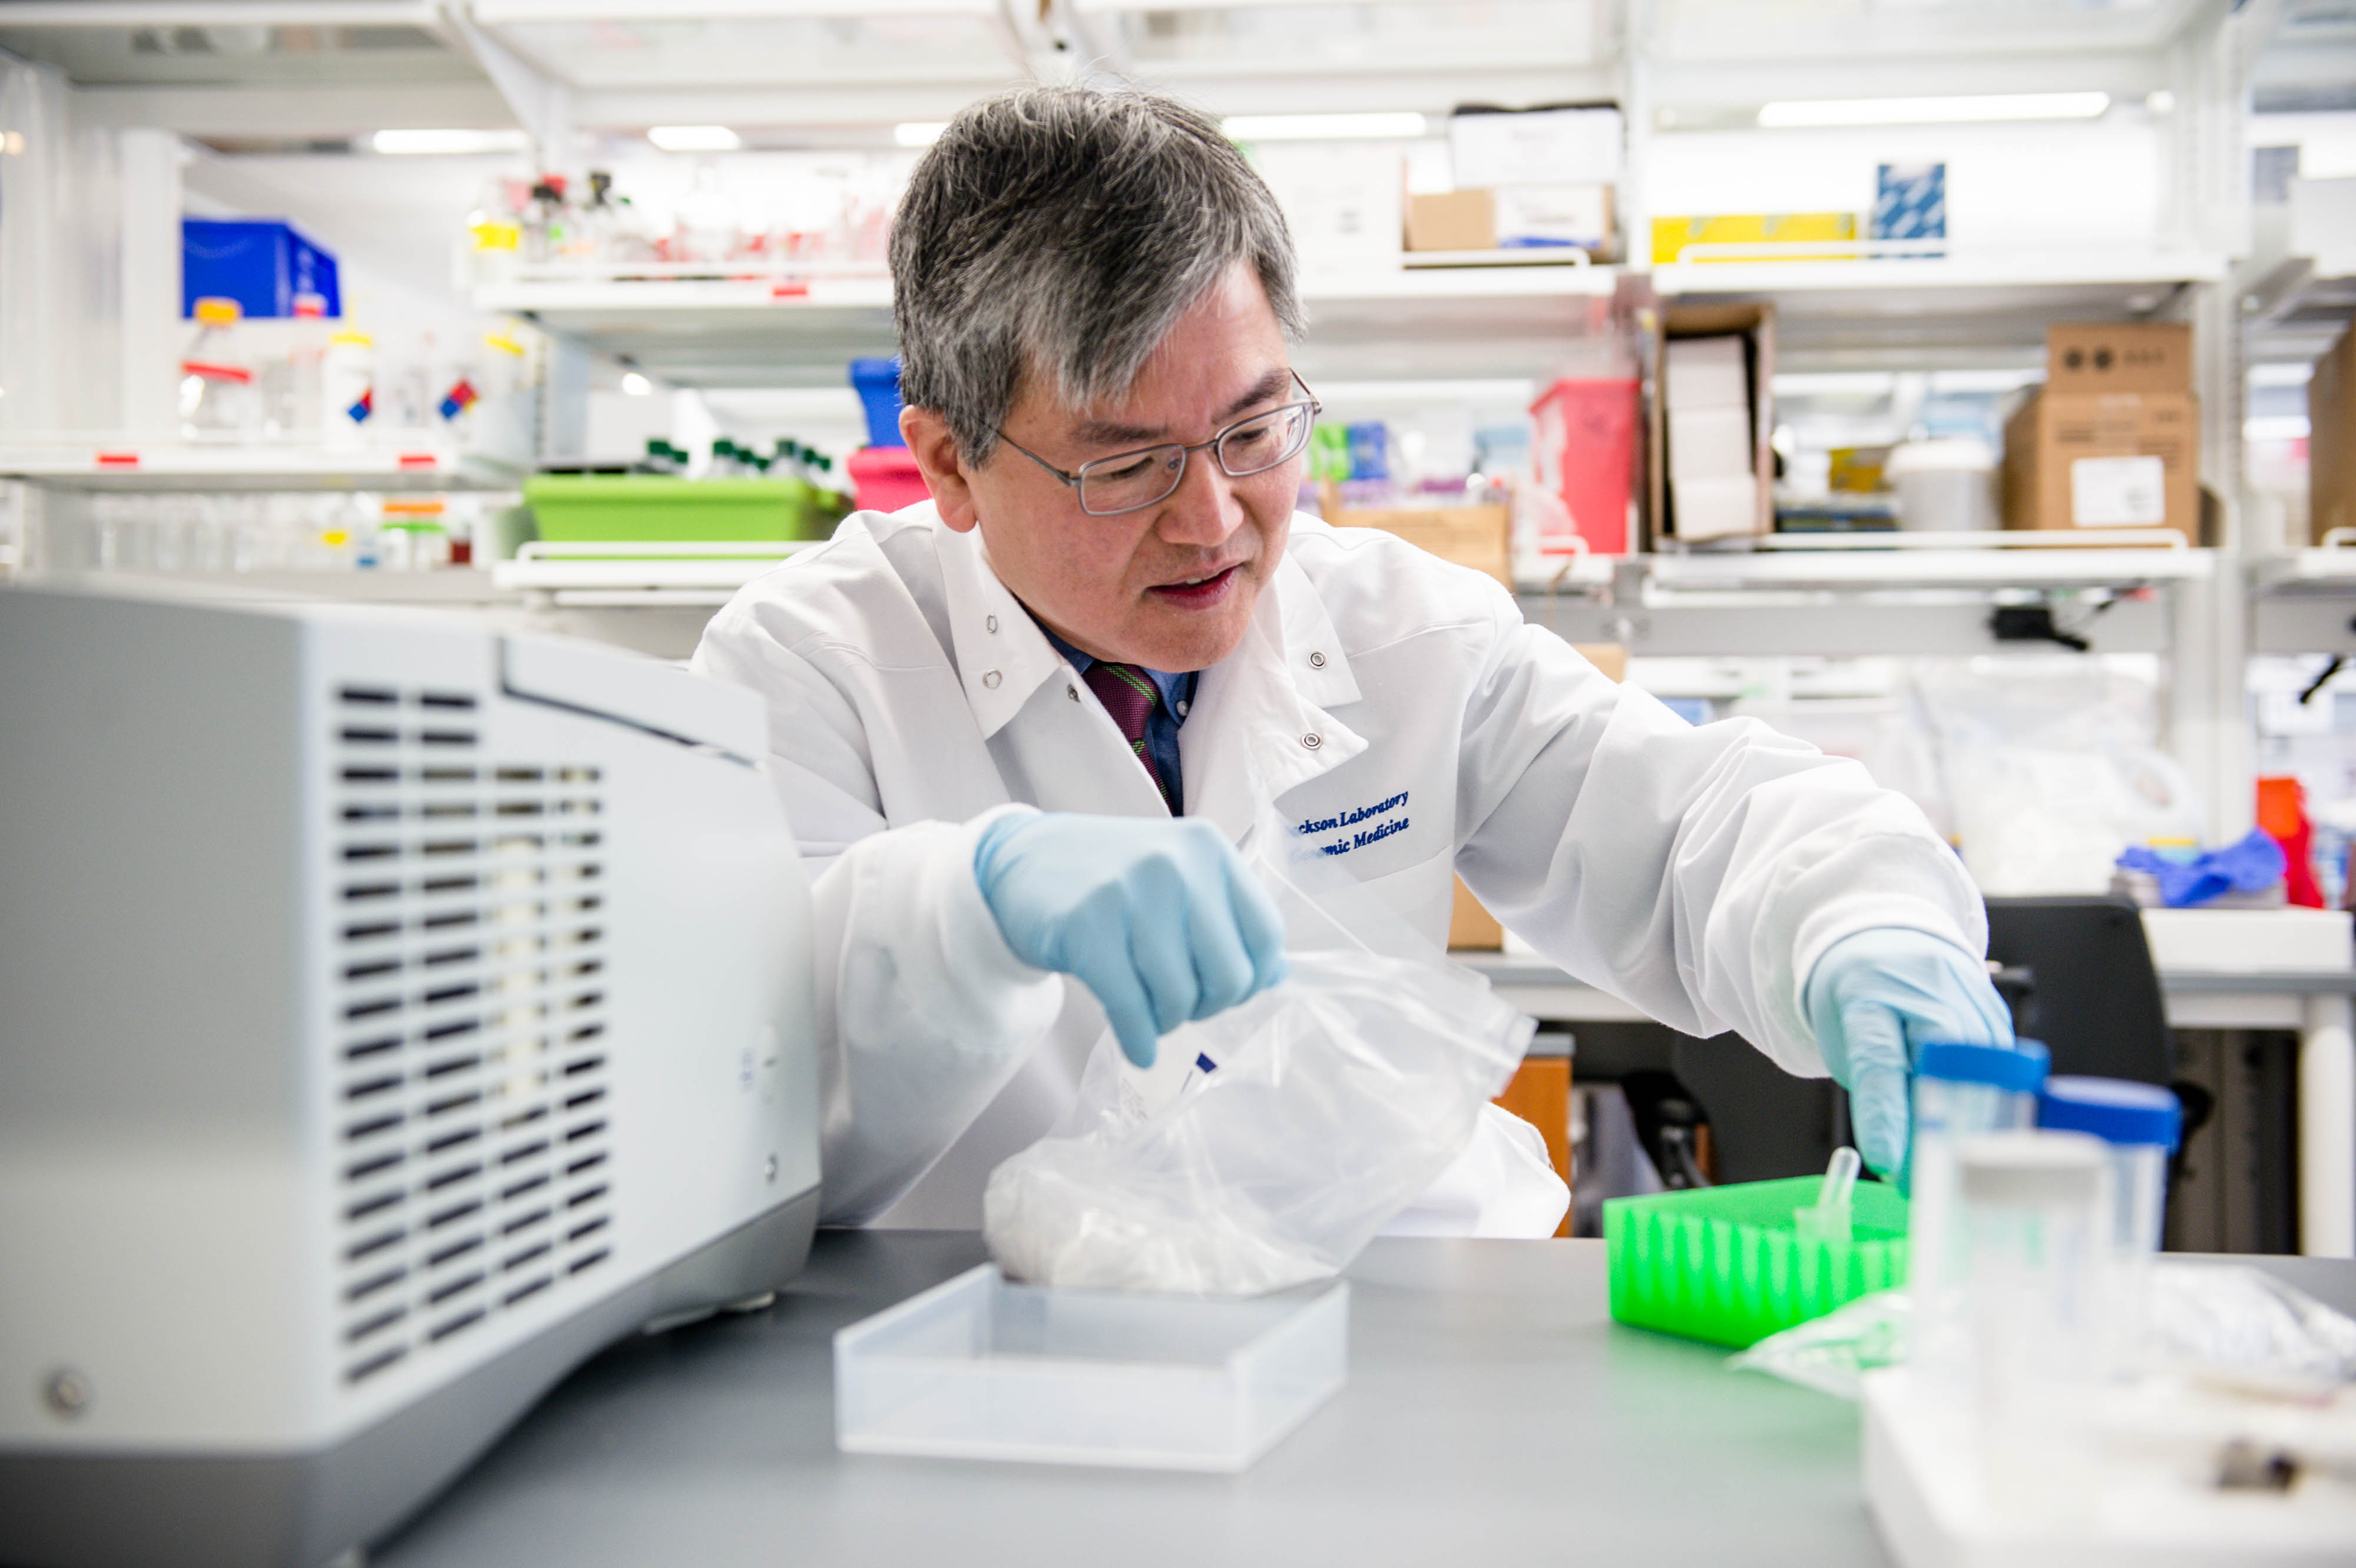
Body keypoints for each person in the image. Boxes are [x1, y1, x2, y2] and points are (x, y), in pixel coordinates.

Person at [692, 85, 2013, 1232]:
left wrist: (1859, 916)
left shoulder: (1394, 626)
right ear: (946, 465)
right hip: (984, 1354)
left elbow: (1684, 825)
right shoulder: (807, 668)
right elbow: (731, 1103)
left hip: (1397, 1309)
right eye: (1126, 462)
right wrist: (960, 913)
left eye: (1254, 430)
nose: (1210, 517)